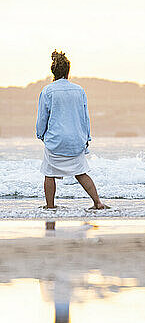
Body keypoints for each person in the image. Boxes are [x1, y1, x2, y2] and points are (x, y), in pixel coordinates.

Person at [35, 50, 106, 209]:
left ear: (53, 71)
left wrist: (41, 136)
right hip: (76, 140)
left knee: (49, 173)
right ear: (68, 71)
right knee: (81, 172)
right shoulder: (79, 90)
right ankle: (98, 202)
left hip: (56, 140)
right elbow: (85, 116)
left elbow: (42, 118)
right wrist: (86, 138)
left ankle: (50, 206)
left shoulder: (48, 90)